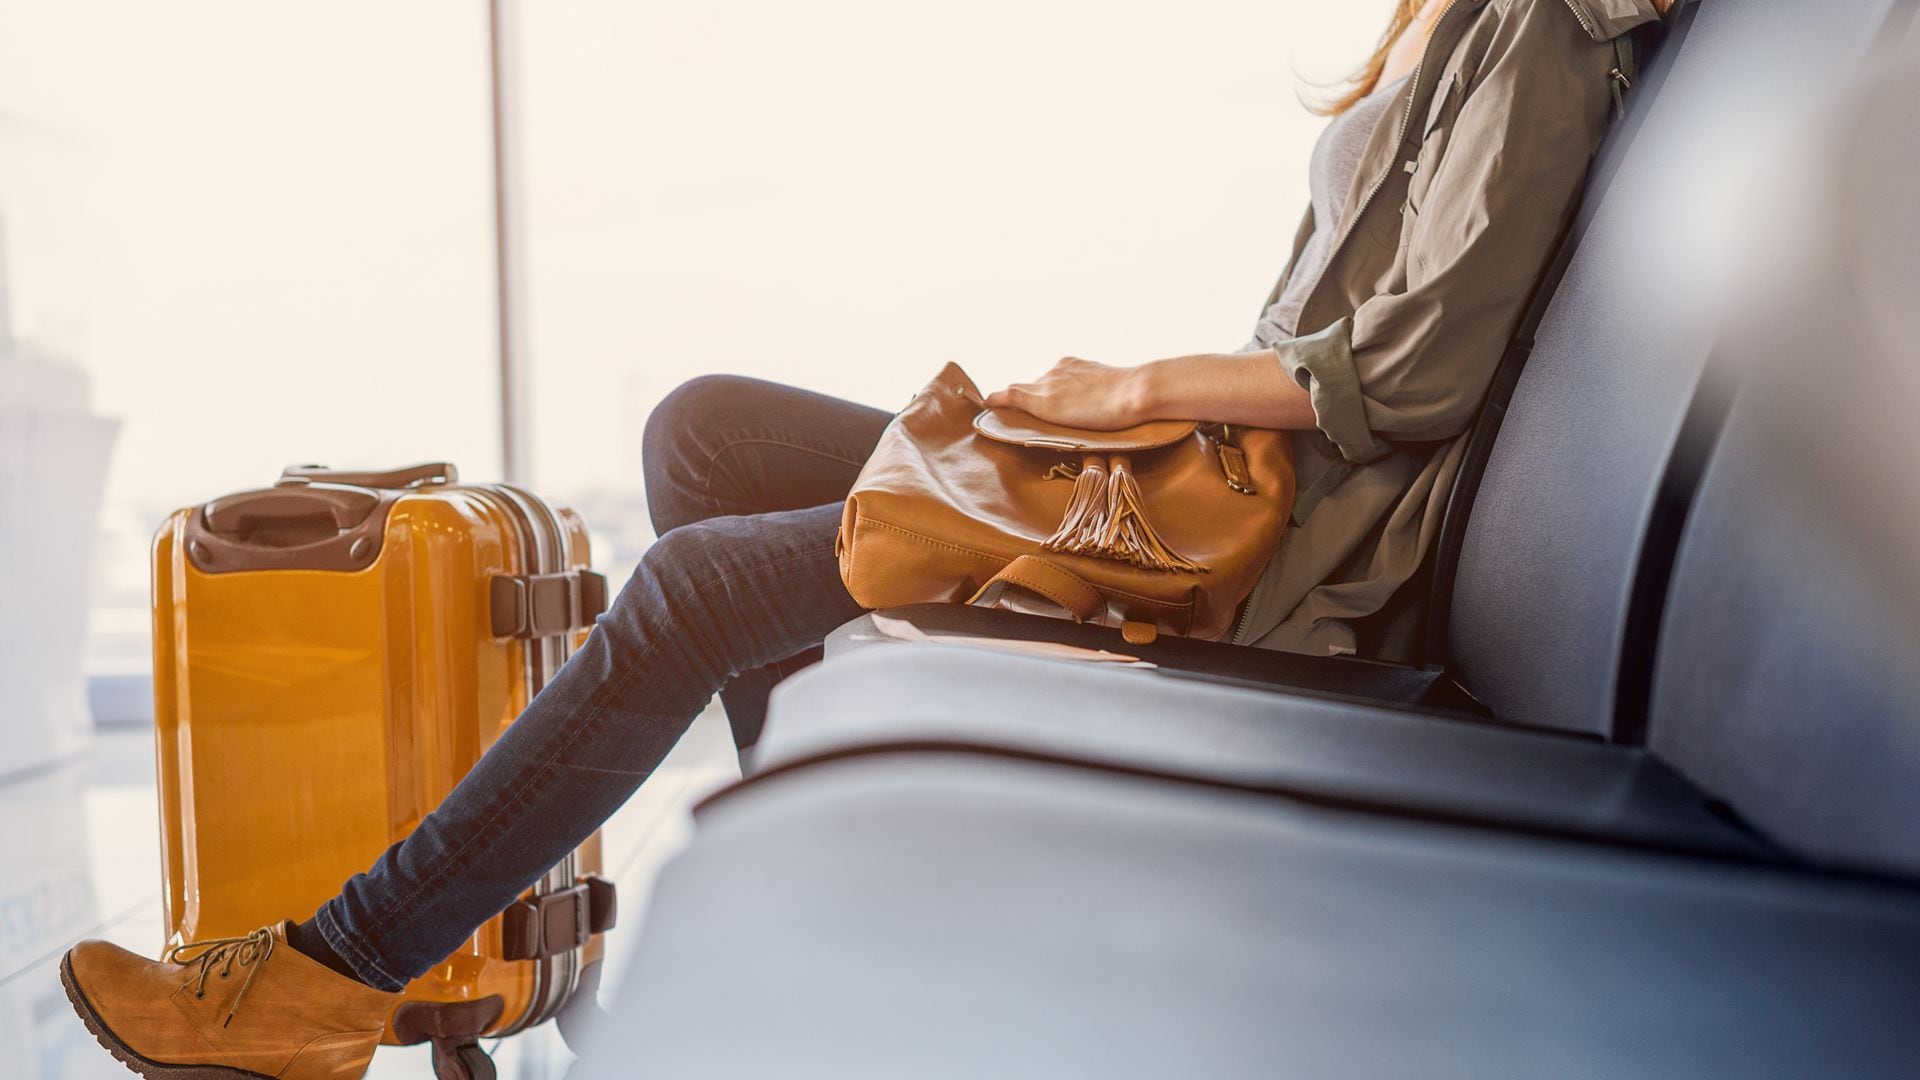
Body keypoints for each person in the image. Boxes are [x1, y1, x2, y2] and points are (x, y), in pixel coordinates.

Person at [60, 1, 1671, 1075]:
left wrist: (1135, 385)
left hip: (1295, 587)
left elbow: (1407, 372)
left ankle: (324, 984)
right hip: (1238, 508)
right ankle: (822, 842)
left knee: (694, 584)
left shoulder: (1535, 26)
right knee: (710, 432)